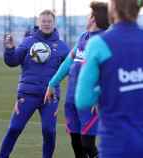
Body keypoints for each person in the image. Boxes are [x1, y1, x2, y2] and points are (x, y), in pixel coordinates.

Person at [75, 0, 143, 158]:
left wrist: (108, 87)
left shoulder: (97, 44)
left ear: (112, 7)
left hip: (115, 146)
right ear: (139, 7)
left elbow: (83, 100)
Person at [0, 10, 70, 158]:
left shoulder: (62, 47)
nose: (46, 24)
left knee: (49, 131)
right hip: (27, 94)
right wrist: (10, 48)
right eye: (43, 21)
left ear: (54, 23)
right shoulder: (28, 41)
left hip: (50, 97)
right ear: (39, 23)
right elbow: (12, 62)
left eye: (49, 21)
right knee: (14, 128)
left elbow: (71, 70)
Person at [44, 1, 109, 158]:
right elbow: (68, 62)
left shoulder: (105, 42)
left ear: (93, 18)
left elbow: (110, 73)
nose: (87, 18)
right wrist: (52, 84)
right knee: (76, 144)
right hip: (72, 100)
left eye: (89, 15)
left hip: (89, 102)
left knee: (88, 145)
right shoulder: (83, 37)